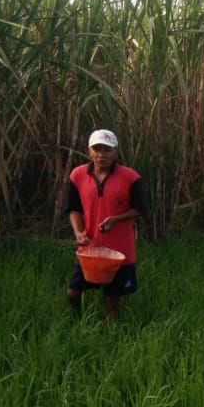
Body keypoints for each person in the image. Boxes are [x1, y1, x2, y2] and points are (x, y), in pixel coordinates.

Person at [65, 128, 150, 320]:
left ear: (116, 153)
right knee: (73, 293)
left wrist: (115, 219)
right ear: (89, 151)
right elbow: (73, 208)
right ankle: (76, 323)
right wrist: (78, 232)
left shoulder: (130, 177)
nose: (101, 155)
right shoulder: (77, 175)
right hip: (90, 249)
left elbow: (141, 208)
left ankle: (113, 337)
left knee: (112, 300)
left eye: (107, 150)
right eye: (97, 149)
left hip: (119, 250)